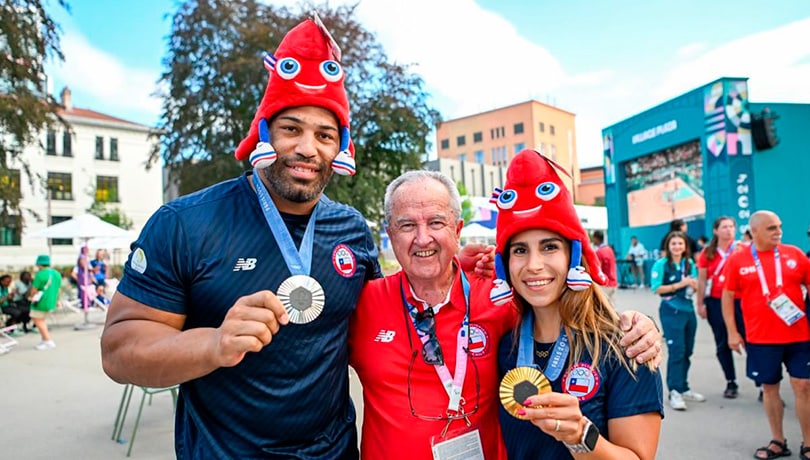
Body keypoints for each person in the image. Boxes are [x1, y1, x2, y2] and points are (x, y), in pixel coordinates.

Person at [101, 18, 376, 458]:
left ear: (340, 148)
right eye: (291, 129)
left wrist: (464, 275)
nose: (308, 148)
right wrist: (212, 344)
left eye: (325, 135)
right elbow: (118, 351)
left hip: (335, 452)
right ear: (263, 133)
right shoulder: (186, 223)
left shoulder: (354, 230)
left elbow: (389, 323)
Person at [349, 167, 662, 460]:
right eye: (407, 225)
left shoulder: (498, 301)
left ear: (457, 230)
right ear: (390, 233)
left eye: (436, 223)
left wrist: (643, 326)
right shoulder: (361, 304)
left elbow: (568, 311)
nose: (422, 237)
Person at [492, 150, 663, 459]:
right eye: (519, 250)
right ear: (505, 264)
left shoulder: (626, 346)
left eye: (549, 247)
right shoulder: (506, 347)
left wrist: (580, 435)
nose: (533, 265)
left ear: (574, 256)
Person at [722, 210, 810, 460]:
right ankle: (778, 441)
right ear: (755, 232)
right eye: (772, 228)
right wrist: (732, 332)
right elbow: (728, 297)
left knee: (803, 386)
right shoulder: (738, 260)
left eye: (779, 226)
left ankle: (808, 443)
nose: (778, 231)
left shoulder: (795, 255)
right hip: (761, 338)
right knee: (770, 388)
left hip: (800, 335)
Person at [651, 231, 704, 411]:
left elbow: (695, 285)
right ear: (668, 245)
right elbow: (656, 288)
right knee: (677, 351)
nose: (677, 247)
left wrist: (695, 285)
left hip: (688, 310)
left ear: (685, 246)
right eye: (673, 243)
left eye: (680, 243)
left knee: (688, 350)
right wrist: (680, 285)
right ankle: (674, 391)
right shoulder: (662, 264)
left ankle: (683, 387)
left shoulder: (689, 263)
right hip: (671, 311)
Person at [697, 216, 743, 399]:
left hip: (740, 300)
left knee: (749, 339)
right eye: (724, 227)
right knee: (722, 342)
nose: (729, 230)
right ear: (716, 230)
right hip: (715, 301)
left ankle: (763, 382)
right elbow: (702, 280)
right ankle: (731, 381)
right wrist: (700, 303)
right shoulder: (708, 252)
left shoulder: (743, 249)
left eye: (731, 227)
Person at [28, 255, 62, 350]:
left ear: (39, 264)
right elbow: (59, 289)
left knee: (38, 320)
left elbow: (34, 289)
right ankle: (44, 339)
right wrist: (57, 300)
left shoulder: (40, 274)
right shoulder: (56, 274)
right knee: (42, 320)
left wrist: (31, 297)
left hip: (40, 302)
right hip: (51, 301)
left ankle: (47, 340)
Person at [591, 230, 618, 300]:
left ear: (596, 238)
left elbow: (598, 269)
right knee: (611, 308)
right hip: (613, 283)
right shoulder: (609, 249)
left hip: (605, 285)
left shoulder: (599, 252)